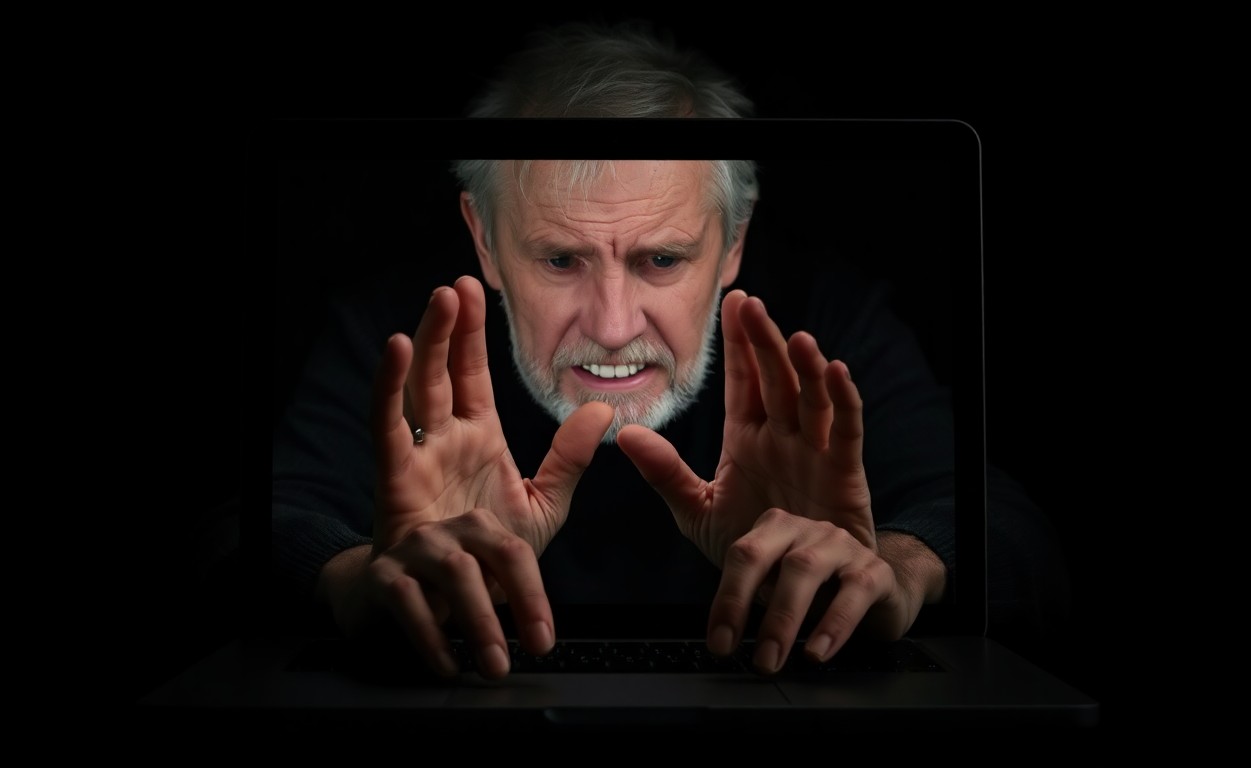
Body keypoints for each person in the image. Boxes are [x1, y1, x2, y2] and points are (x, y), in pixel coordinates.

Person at [271, 20, 1069, 681]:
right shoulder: (401, 333)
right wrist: (352, 576)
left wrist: (893, 564)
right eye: (560, 260)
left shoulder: (828, 321)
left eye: (661, 259)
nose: (614, 327)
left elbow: (1010, 528)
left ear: (731, 247)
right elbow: (241, 530)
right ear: (484, 240)